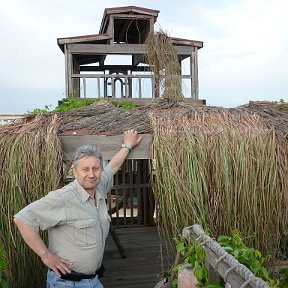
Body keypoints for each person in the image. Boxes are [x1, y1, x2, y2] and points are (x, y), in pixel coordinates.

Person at [14, 129, 143, 288]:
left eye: (95, 169)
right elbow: (22, 219)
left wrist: (127, 147)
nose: (91, 174)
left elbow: (112, 167)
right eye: (85, 169)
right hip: (66, 283)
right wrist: (45, 255)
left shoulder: (99, 186)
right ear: (74, 171)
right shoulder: (63, 198)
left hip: (94, 281)